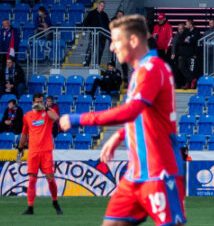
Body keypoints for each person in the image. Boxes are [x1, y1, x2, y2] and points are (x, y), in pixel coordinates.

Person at [59, 14, 187, 226]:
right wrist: (119, 136)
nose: (112, 47)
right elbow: (143, 114)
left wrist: (78, 118)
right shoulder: (141, 71)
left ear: (134, 41)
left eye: (116, 40)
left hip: (159, 171)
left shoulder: (152, 69)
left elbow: (131, 111)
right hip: (135, 174)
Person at [18, 92, 63, 215]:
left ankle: (55, 202)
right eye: (37, 101)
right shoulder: (27, 116)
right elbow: (24, 133)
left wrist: (46, 108)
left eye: (41, 101)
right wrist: (20, 148)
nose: (39, 103)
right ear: (33, 102)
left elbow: (57, 118)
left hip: (46, 151)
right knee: (32, 180)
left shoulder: (47, 113)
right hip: (33, 152)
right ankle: (30, 207)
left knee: (50, 179)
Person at [83, 0, 111, 67]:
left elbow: (107, 25)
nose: (102, 7)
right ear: (98, 5)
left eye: (103, 6)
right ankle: (87, 63)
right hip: (93, 34)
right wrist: (84, 32)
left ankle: (97, 64)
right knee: (90, 48)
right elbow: (86, 23)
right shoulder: (92, 13)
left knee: (100, 50)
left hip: (102, 35)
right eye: (101, 5)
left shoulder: (105, 15)